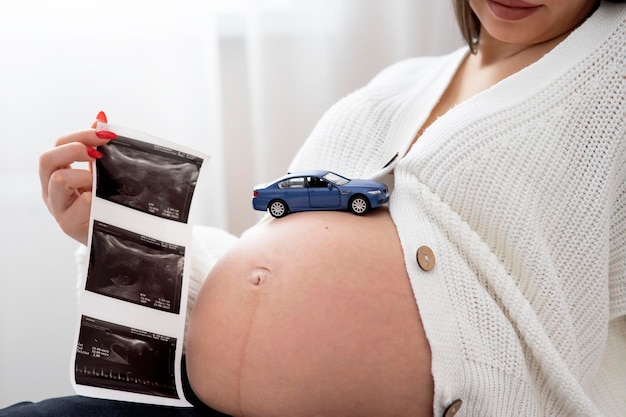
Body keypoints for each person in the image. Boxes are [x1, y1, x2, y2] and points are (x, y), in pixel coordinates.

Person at [4, 0, 624, 416]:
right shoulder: (389, 91)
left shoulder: (610, 77)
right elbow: (258, 266)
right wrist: (117, 231)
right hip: (197, 396)